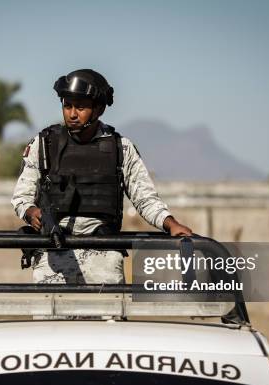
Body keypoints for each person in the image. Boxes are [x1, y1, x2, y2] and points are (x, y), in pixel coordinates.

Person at [11, 69, 192, 284]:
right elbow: (21, 197)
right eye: (67, 105)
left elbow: (145, 198)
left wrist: (170, 224)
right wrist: (32, 213)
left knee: (110, 317)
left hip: (104, 258)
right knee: (51, 318)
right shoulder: (43, 144)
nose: (72, 114)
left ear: (99, 109)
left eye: (81, 107)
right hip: (53, 259)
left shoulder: (120, 148)